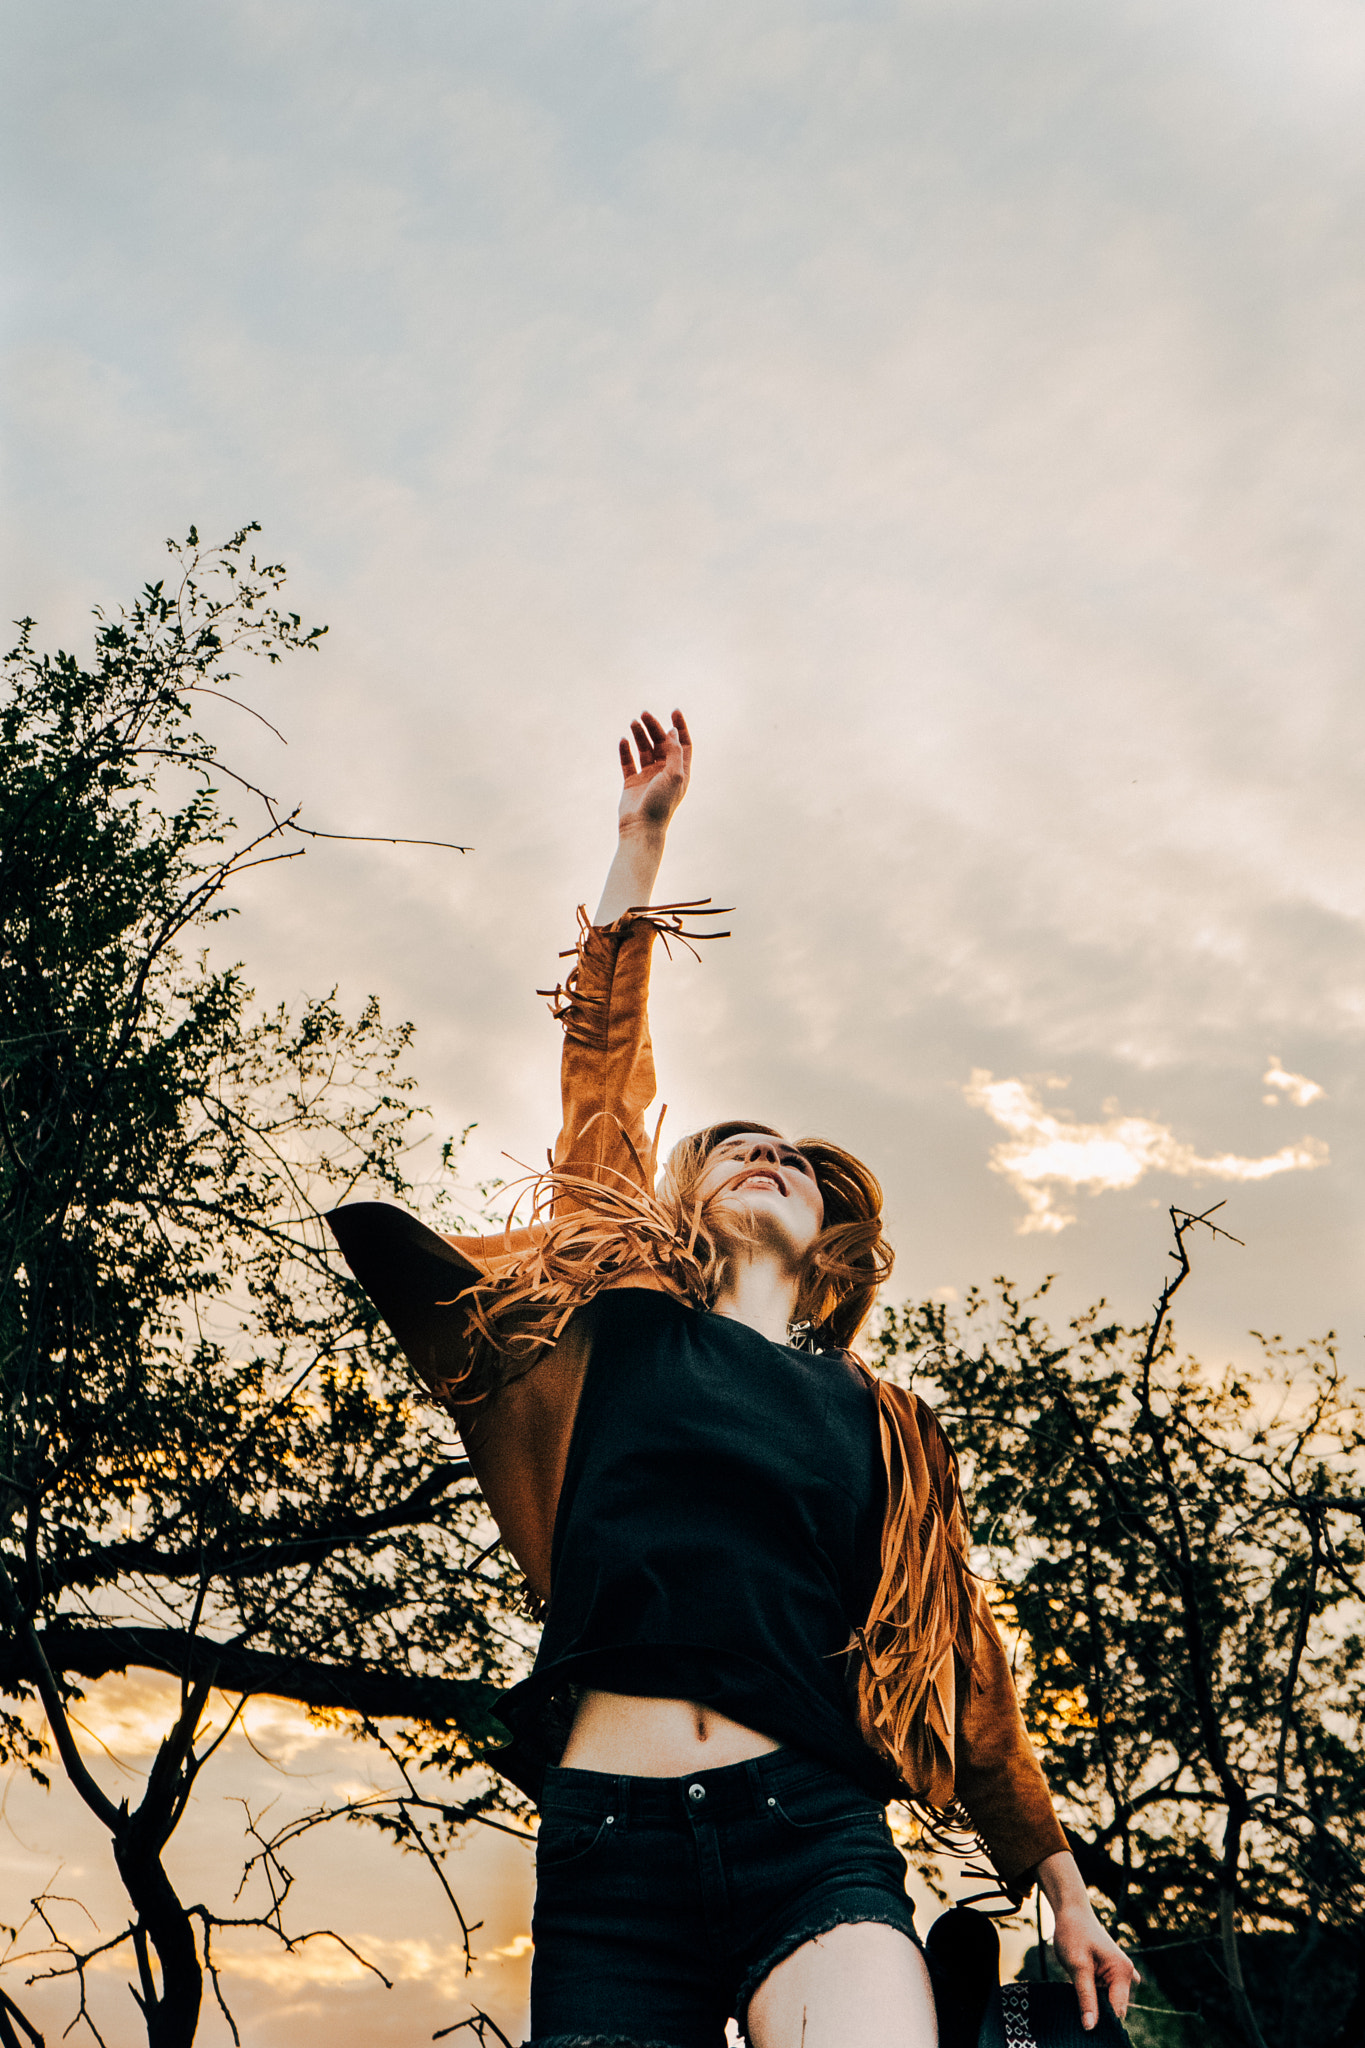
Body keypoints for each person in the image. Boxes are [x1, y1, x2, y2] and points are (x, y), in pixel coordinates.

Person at [328, 710, 1138, 2048]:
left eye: (799, 1162)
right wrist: (639, 841)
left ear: (831, 1245)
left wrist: (1057, 1881)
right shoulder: (628, 1322)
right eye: (733, 1147)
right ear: (684, 1198)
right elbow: (601, 1073)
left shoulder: (881, 1425)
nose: (768, 1156)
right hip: (605, 1858)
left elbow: (966, 1669)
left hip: (807, 1838)